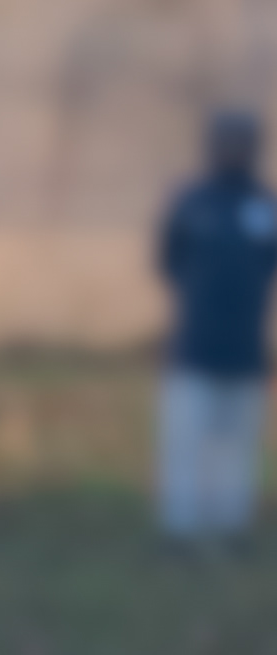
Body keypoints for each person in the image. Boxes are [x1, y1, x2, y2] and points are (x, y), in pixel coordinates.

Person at [156, 111, 277, 544]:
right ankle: (183, 528)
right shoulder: (190, 203)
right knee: (185, 444)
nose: (233, 150)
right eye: (226, 141)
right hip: (194, 348)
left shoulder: (265, 205)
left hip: (246, 351)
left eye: (242, 141)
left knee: (237, 446)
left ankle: (231, 525)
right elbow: (169, 261)